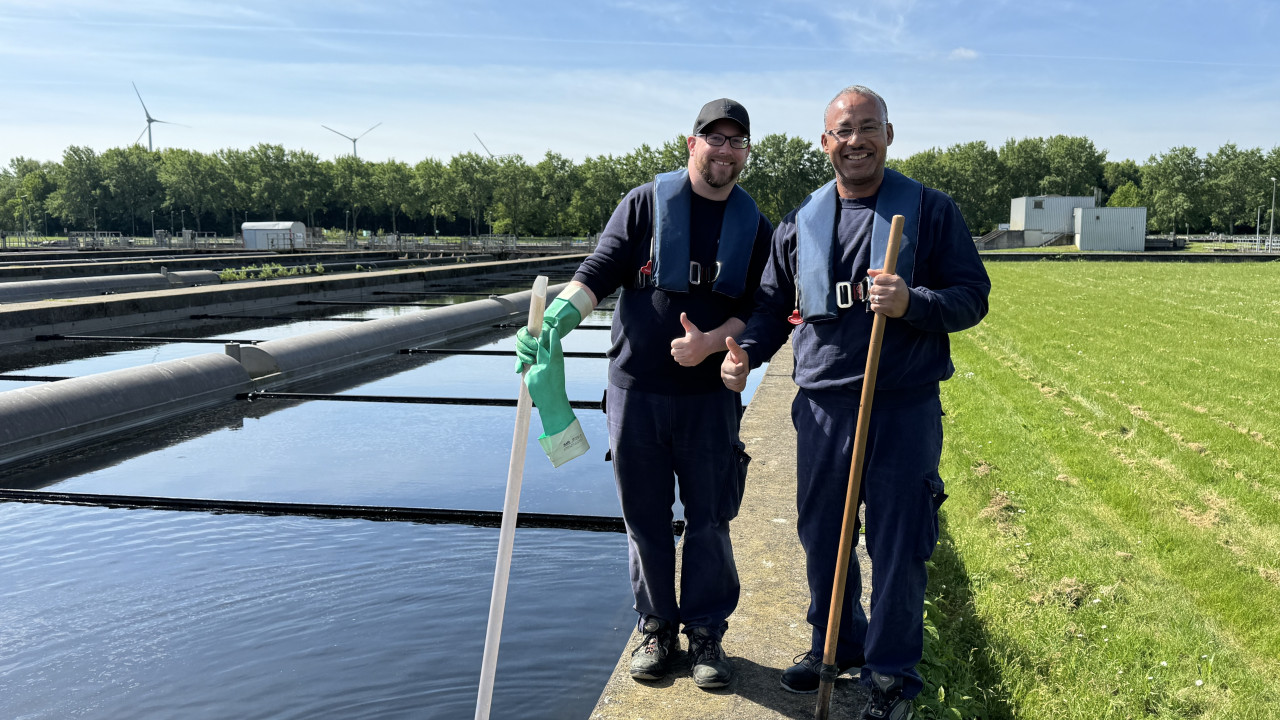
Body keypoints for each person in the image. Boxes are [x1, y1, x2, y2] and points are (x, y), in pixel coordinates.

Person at [721, 85, 990, 718]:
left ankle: (892, 674)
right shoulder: (801, 222)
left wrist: (911, 303)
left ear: (889, 135)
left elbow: (972, 296)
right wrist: (744, 355)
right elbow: (769, 310)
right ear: (825, 144)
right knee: (823, 535)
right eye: (843, 131)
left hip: (901, 406)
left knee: (898, 541)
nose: (856, 140)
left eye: (868, 128)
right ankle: (834, 646)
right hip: (821, 407)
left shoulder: (929, 210)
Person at [516, 98, 773, 689]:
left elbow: (761, 309)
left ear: (745, 155)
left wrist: (711, 343)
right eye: (716, 138)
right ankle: (656, 628)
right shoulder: (645, 204)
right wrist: (557, 317)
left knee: (710, 519)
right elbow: (600, 269)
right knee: (645, 519)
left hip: (709, 400)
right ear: (692, 143)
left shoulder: (756, 226)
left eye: (738, 143)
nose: (726, 151)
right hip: (636, 394)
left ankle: (707, 633)